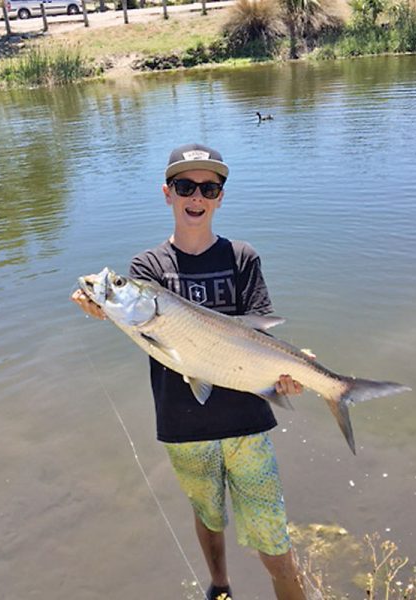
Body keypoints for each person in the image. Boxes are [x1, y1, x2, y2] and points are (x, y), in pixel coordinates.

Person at [72, 143, 308, 600]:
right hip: (184, 425)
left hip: (248, 424)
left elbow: (263, 331)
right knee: (207, 515)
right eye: (185, 186)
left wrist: (288, 372)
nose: (196, 197)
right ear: (167, 193)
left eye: (208, 187)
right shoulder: (147, 268)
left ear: (220, 197)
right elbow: (140, 324)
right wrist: (102, 305)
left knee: (274, 542)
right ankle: (220, 587)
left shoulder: (243, 257)